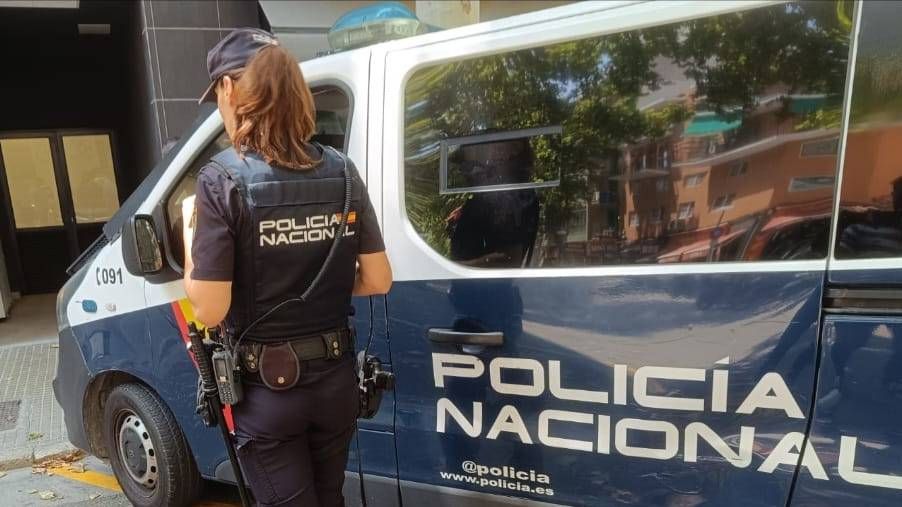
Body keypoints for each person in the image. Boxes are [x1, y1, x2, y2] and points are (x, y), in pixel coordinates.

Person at [181, 28, 392, 507]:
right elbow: (378, 278)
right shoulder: (342, 170)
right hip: (336, 381)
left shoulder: (221, 179)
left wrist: (191, 245)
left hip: (269, 394)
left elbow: (210, 309)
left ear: (229, 88)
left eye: (218, 94)